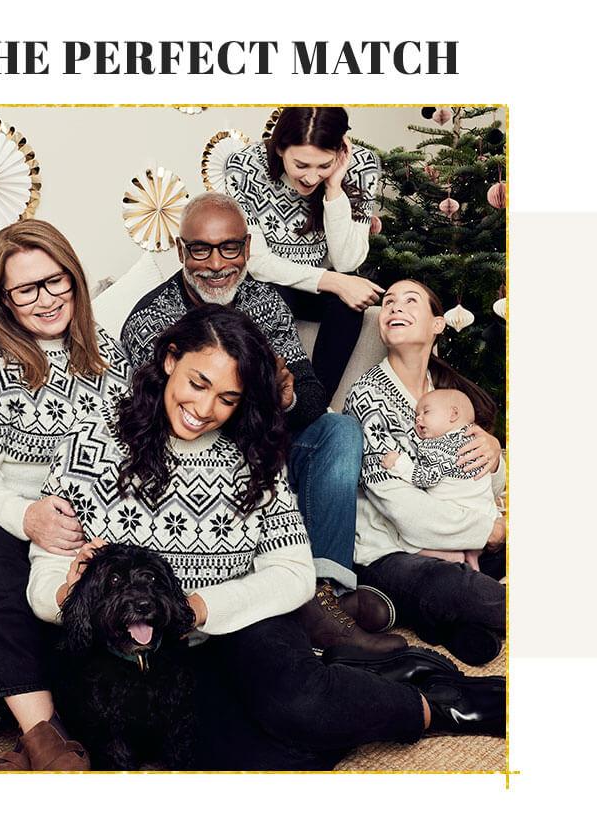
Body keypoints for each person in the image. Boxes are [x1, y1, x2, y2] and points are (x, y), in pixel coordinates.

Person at [28, 305, 506, 771]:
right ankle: (368, 677)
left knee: (302, 709)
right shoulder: (90, 441)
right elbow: (46, 572)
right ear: (171, 360)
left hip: (240, 620)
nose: (204, 409)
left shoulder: (251, 451)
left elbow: (295, 574)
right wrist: (67, 596)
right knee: (266, 758)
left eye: (228, 398)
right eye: (198, 383)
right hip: (143, 653)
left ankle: (445, 705)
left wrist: (199, 608)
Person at [121, 191, 405, 654]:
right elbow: (151, 422)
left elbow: (312, 397)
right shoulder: (151, 322)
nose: (216, 264)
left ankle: (324, 590)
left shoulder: (264, 303)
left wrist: (290, 396)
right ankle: (318, 609)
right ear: (180, 251)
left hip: (272, 445)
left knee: (340, 431)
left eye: (230, 247)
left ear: (248, 248)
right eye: (201, 249)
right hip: (205, 468)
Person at [0, 219, 131, 770]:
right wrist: (26, 516)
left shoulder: (111, 354)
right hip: (12, 510)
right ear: (4, 300)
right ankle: (44, 736)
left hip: (95, 511)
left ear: (73, 277)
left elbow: (135, 451)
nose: (46, 298)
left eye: (56, 281)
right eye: (26, 289)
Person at [344, 279, 506, 666]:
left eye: (410, 301)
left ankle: (448, 622)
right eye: (388, 303)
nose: (395, 307)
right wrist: (488, 531)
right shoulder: (366, 396)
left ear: (437, 324)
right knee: (449, 584)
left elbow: (485, 486)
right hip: (393, 551)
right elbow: (402, 511)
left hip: (461, 536)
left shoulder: (451, 395)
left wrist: (495, 457)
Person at [224, 106, 385, 401]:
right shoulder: (244, 166)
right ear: (280, 147)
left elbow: (348, 262)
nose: (312, 178)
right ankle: (269, 402)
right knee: (272, 300)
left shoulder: (361, 165)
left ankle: (313, 405)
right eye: (301, 165)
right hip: (269, 283)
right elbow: (257, 262)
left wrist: (334, 187)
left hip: (320, 290)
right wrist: (335, 281)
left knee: (348, 306)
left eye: (323, 166)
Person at [381, 388, 501, 571]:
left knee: (403, 539)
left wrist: (399, 463)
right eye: (416, 416)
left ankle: (451, 555)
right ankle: (473, 557)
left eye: (426, 412)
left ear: (453, 414)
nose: (418, 419)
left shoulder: (438, 446)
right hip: (486, 514)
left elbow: (426, 477)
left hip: (459, 521)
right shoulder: (477, 440)